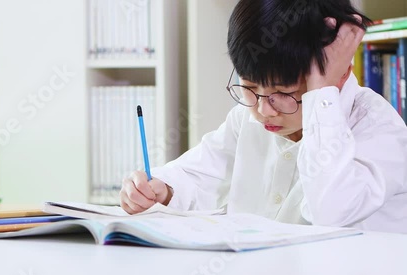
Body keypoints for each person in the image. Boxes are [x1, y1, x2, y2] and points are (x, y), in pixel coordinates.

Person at [120, 0, 407, 233]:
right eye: (249, 87)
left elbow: (330, 211)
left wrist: (322, 93)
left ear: (340, 74)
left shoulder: (377, 127)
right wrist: (161, 189)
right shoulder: (246, 119)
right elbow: (199, 173)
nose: (263, 110)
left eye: (284, 92)